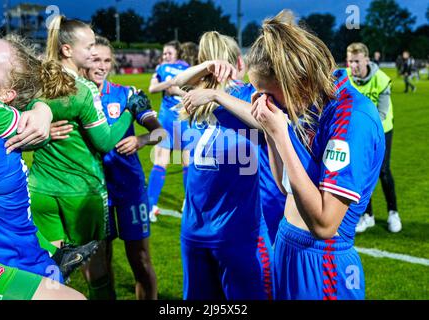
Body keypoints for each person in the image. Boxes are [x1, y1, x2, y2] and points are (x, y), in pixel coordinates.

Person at [247, 10, 385, 300]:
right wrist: (272, 133)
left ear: (294, 81)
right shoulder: (309, 102)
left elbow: (324, 224)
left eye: (268, 94)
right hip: (287, 244)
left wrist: (282, 135)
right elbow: (287, 185)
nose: (264, 102)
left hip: (323, 263)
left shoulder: (353, 118)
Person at [28, 15, 133, 299]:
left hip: (40, 190)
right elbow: (105, 142)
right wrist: (128, 112)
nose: (93, 52)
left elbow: (19, 133)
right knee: (97, 272)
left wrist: (45, 133)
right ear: (67, 50)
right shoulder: (83, 89)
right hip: (80, 193)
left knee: (50, 271)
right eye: (88, 47)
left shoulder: (37, 81)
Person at [52, 36, 161, 299]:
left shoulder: (128, 95)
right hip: (91, 192)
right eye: (95, 60)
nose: (102, 66)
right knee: (99, 263)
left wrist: (142, 139)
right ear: (83, 61)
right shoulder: (71, 97)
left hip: (129, 189)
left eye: (107, 60)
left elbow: (160, 133)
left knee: (141, 259)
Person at [0, 30, 85, 300]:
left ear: (5, 94)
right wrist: (42, 109)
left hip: (10, 273)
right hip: (32, 262)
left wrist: (42, 111)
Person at [180, 31, 273, 300]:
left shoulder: (202, 99)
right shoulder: (205, 98)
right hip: (233, 230)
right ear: (239, 62)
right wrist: (210, 88)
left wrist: (214, 94)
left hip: (211, 227)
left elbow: (265, 122)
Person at [346, 42, 401, 233]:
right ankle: (367, 215)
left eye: (357, 61)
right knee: (361, 173)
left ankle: (393, 213)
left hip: (382, 130)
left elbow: (382, 113)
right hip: (359, 132)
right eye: (350, 61)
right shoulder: (346, 79)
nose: (353, 66)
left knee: (383, 171)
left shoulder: (381, 79)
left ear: (367, 60)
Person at [147, 40, 191, 221]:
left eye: (169, 53)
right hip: (165, 120)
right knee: (160, 161)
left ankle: (188, 204)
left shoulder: (187, 68)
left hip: (183, 120)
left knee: (187, 164)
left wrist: (176, 89)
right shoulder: (161, 68)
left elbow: (190, 91)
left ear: (177, 54)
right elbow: (152, 88)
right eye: (164, 53)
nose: (166, 56)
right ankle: (149, 206)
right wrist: (170, 85)